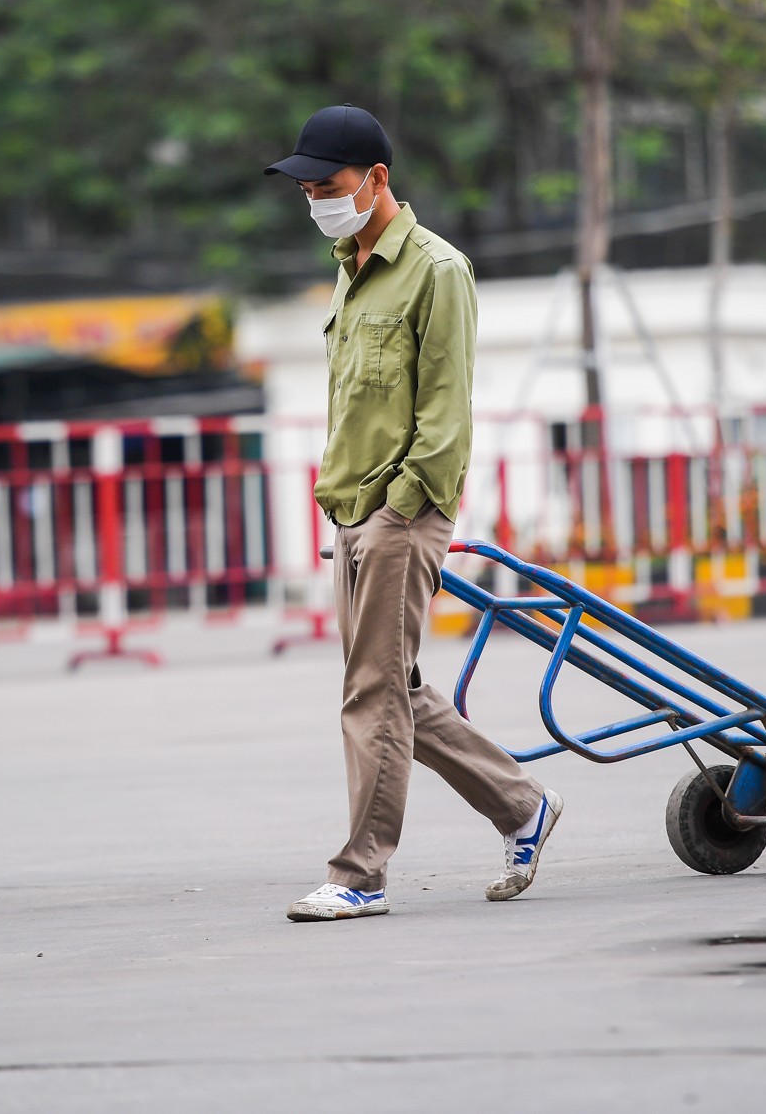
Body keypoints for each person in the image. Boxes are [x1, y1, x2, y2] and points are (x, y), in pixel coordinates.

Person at [265, 105, 562, 922]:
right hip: (352, 508)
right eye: (308, 189)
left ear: (377, 179)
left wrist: (402, 504)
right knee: (397, 688)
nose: (316, 199)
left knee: (371, 693)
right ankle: (522, 803)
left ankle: (360, 872)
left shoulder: (438, 269)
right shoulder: (349, 265)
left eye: (328, 186)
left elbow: (446, 410)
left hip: (402, 511)